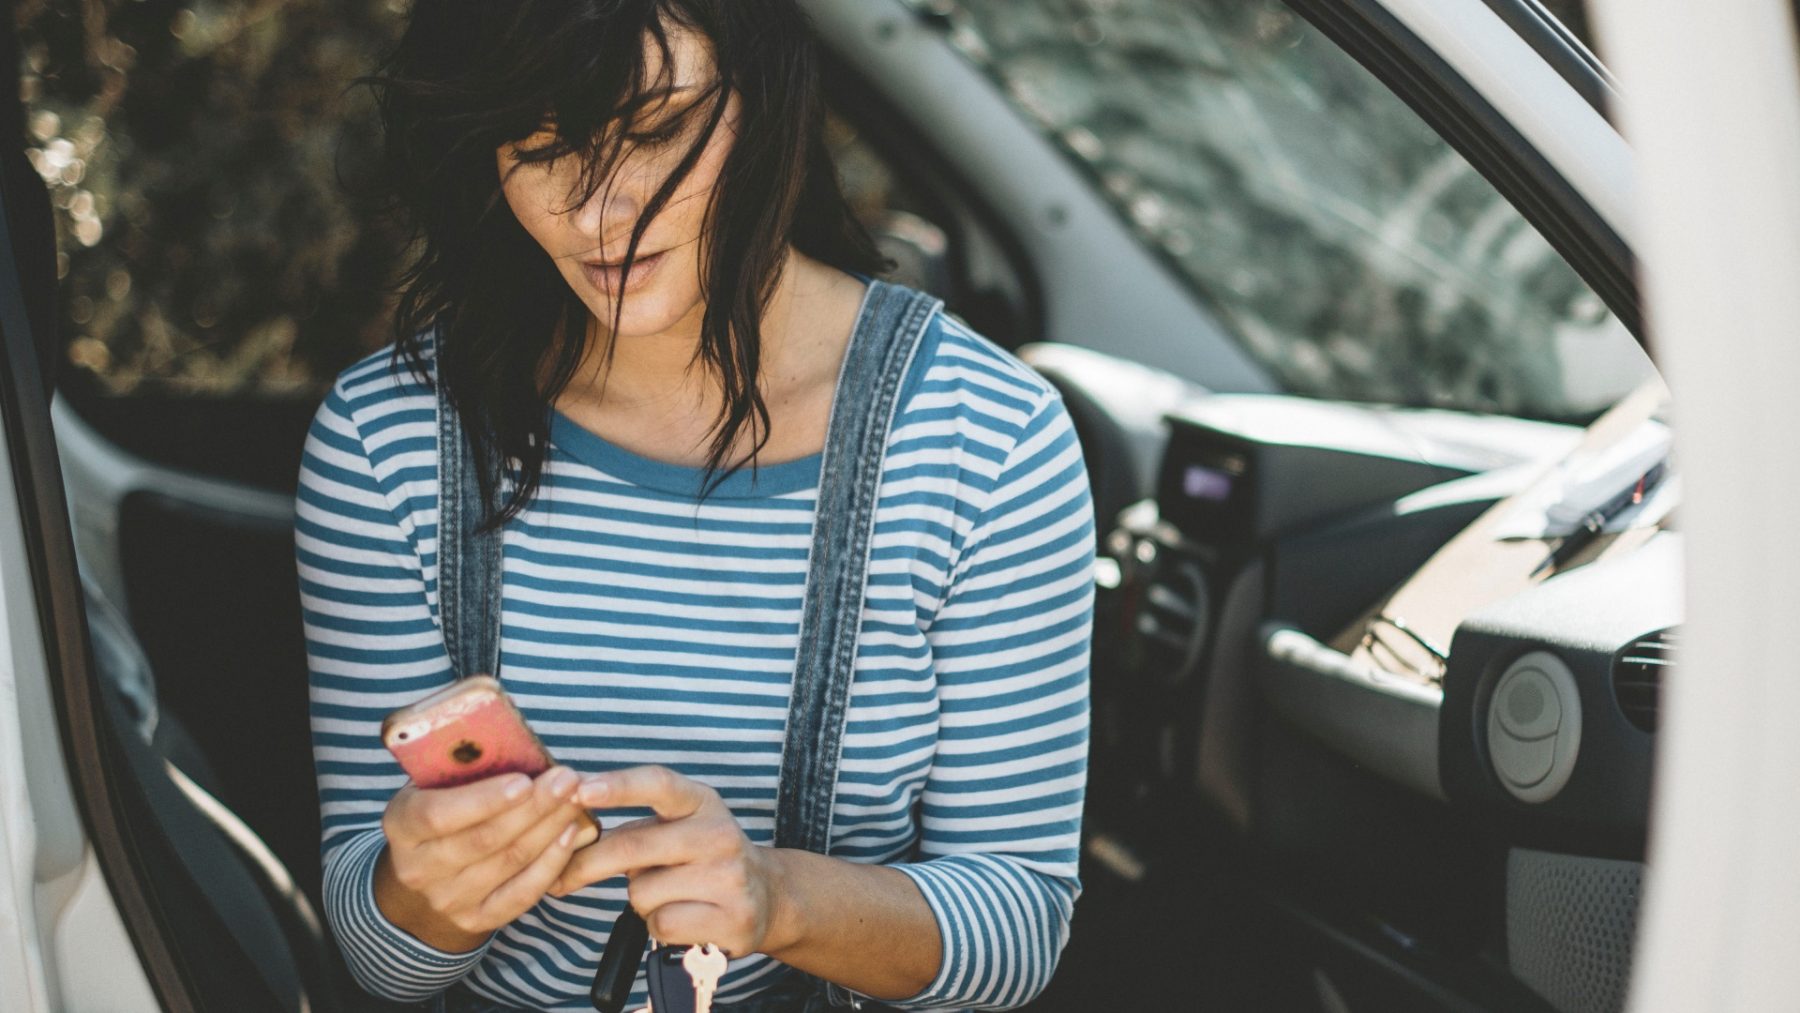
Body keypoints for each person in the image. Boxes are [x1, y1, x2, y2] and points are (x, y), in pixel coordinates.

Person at [296, 1, 1096, 1010]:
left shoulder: (986, 437)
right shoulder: (390, 438)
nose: (596, 212)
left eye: (655, 130)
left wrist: (774, 895)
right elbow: (385, 964)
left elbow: (1017, 922)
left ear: (769, 101)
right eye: (538, 147)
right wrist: (422, 894)